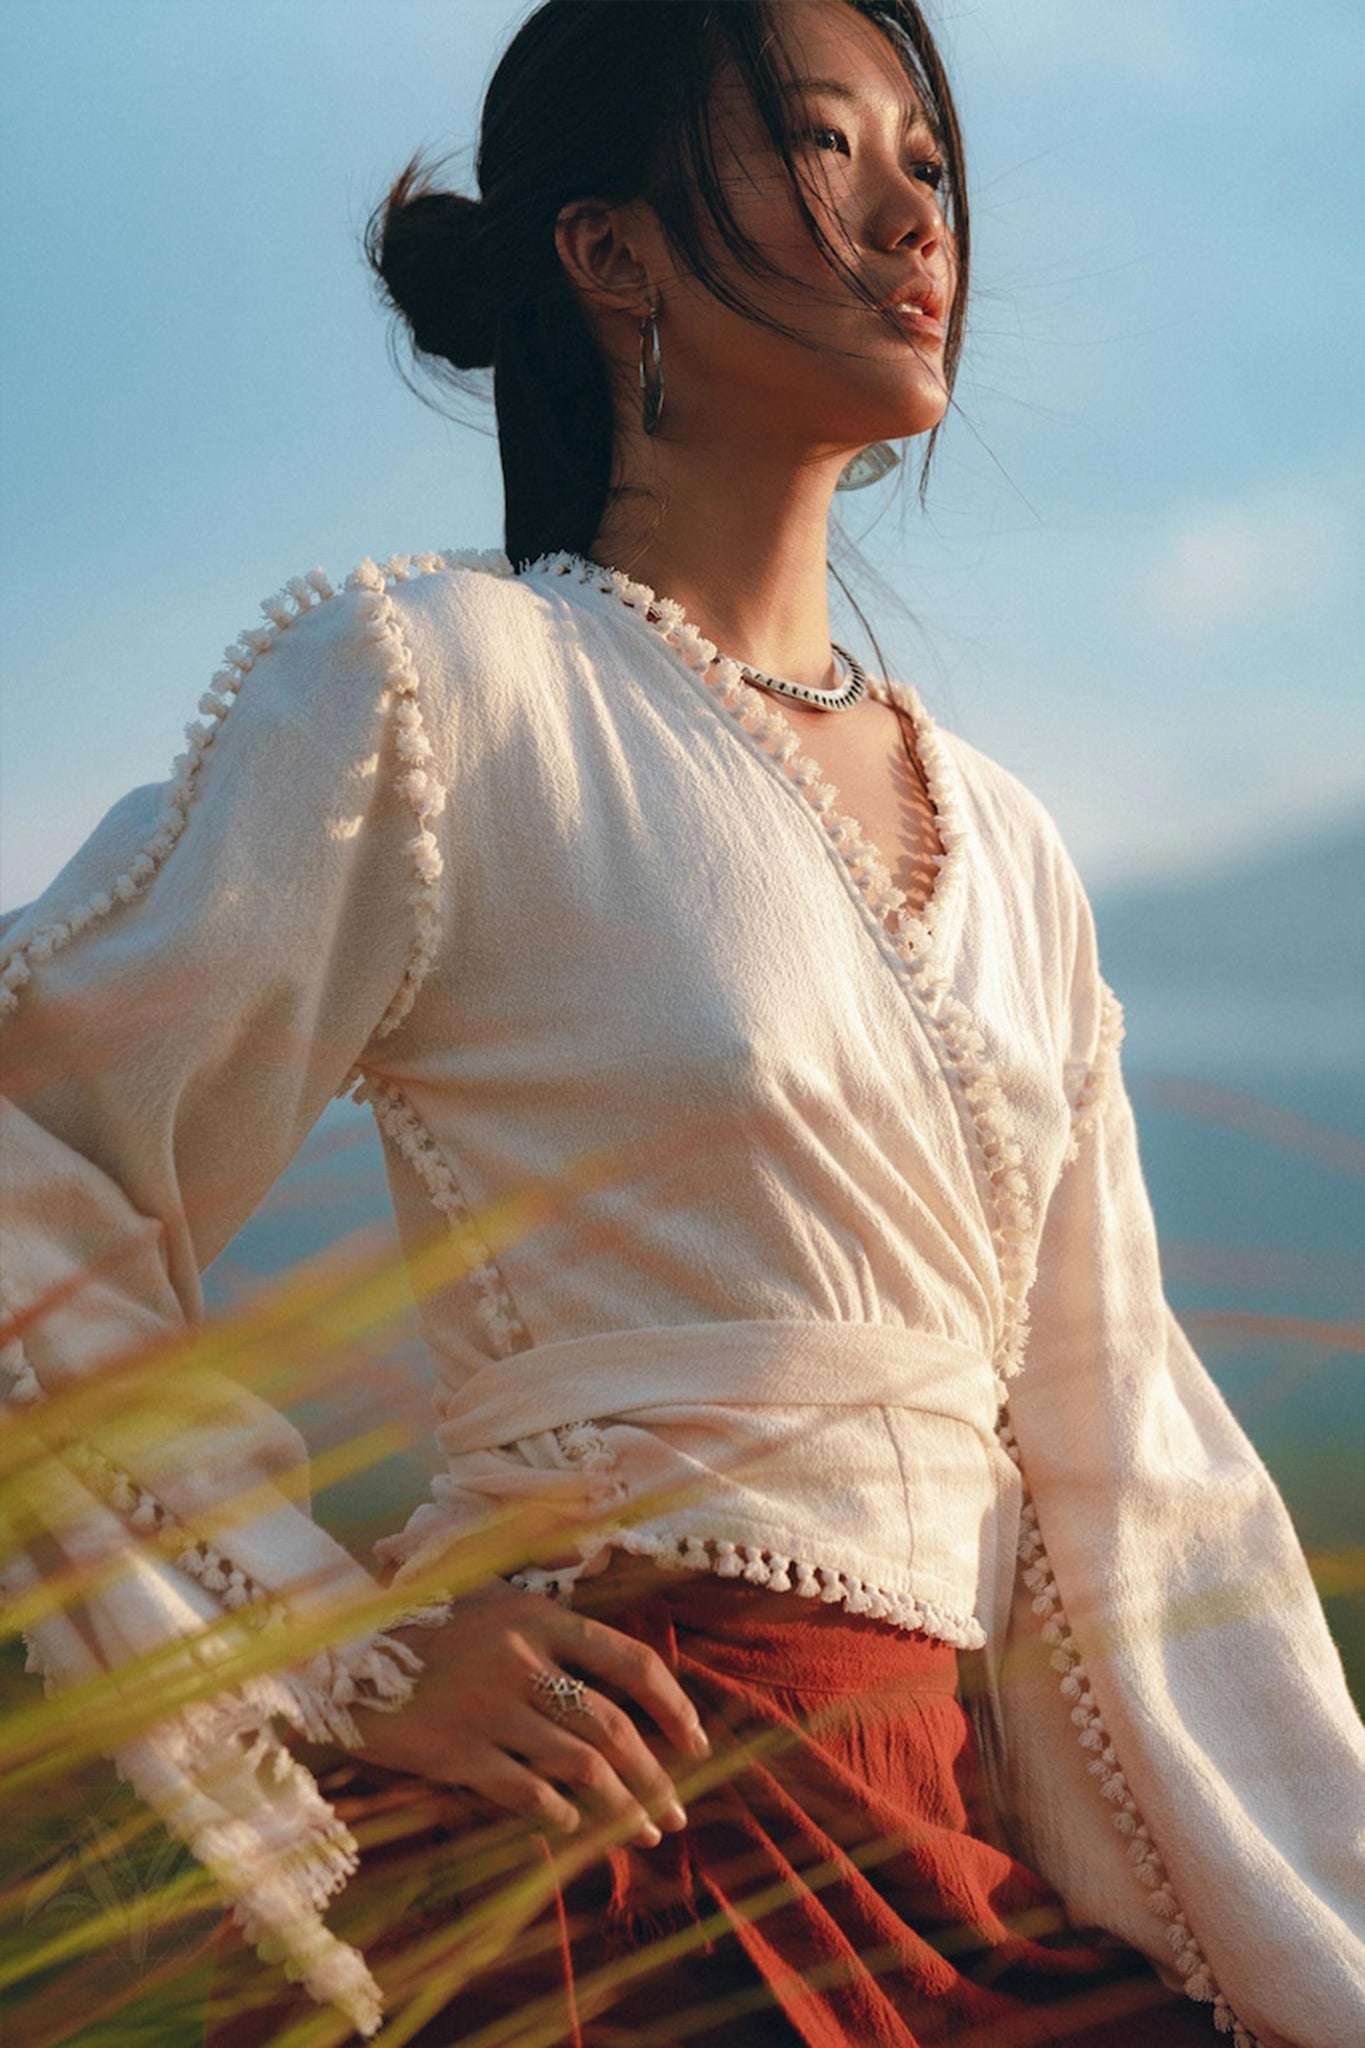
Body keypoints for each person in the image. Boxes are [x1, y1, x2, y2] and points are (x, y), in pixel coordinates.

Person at [1, 3, 1361, 2044]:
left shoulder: (1008, 849)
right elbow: (35, 1132)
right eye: (825, 145)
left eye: (930, 156)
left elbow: (1133, 1478)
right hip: (612, 1861)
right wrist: (353, 1648)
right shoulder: (441, 687)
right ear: (606, 248)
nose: (914, 207)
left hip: (936, 1844)